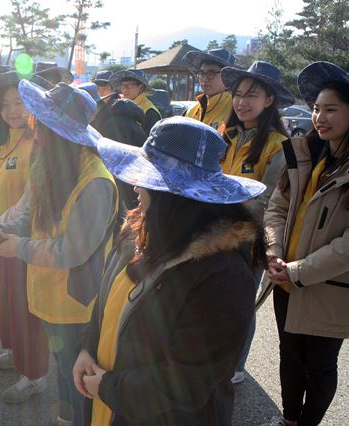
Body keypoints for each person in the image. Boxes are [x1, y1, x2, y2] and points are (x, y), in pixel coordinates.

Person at [75, 116, 268, 425]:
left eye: (146, 179)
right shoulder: (139, 228)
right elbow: (104, 301)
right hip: (110, 403)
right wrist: (87, 347)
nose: (135, 185)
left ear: (175, 198)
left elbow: (189, 381)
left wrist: (109, 387)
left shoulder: (223, 276)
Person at [0, 81, 118, 426]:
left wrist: (18, 247)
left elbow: (72, 251)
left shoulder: (96, 182)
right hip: (48, 294)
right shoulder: (51, 164)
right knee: (63, 368)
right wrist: (3, 230)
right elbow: (30, 213)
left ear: (59, 132)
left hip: (76, 303)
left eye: (40, 125)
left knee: (79, 377)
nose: (34, 133)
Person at [259, 62, 349, 426]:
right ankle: (289, 419)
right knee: (290, 356)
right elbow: (277, 207)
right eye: (317, 107)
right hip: (284, 277)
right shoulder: (307, 154)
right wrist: (273, 252)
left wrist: (297, 272)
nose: (320, 116)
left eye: (331, 109)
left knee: (319, 365)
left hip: (328, 285)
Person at [0, 70, 52, 403]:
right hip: (0, 242)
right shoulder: (4, 142)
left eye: (20, 103)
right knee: (7, 303)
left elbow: (31, 200)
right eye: (6, 104)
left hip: (22, 244)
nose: (13, 111)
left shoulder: (39, 144)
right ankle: (17, 354)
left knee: (26, 309)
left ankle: (35, 374)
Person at [219, 60, 294, 384]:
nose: (242, 101)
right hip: (215, 234)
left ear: (270, 100)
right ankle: (216, 354)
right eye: (238, 93)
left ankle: (236, 365)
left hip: (249, 239)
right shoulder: (226, 134)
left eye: (252, 94)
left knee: (241, 301)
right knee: (216, 296)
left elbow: (271, 201)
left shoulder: (280, 145)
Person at [90, 90, 146, 211]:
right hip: (135, 176)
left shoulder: (113, 124)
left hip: (125, 179)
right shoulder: (130, 122)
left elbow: (112, 158)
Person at [184, 48, 236, 130]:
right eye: (201, 73)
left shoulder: (235, 110)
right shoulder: (192, 111)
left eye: (211, 73)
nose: (204, 79)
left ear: (227, 76)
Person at [108, 69, 161, 135]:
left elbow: (149, 141)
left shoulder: (150, 111)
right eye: (123, 86)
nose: (125, 90)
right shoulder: (118, 105)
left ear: (141, 88)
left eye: (129, 86)